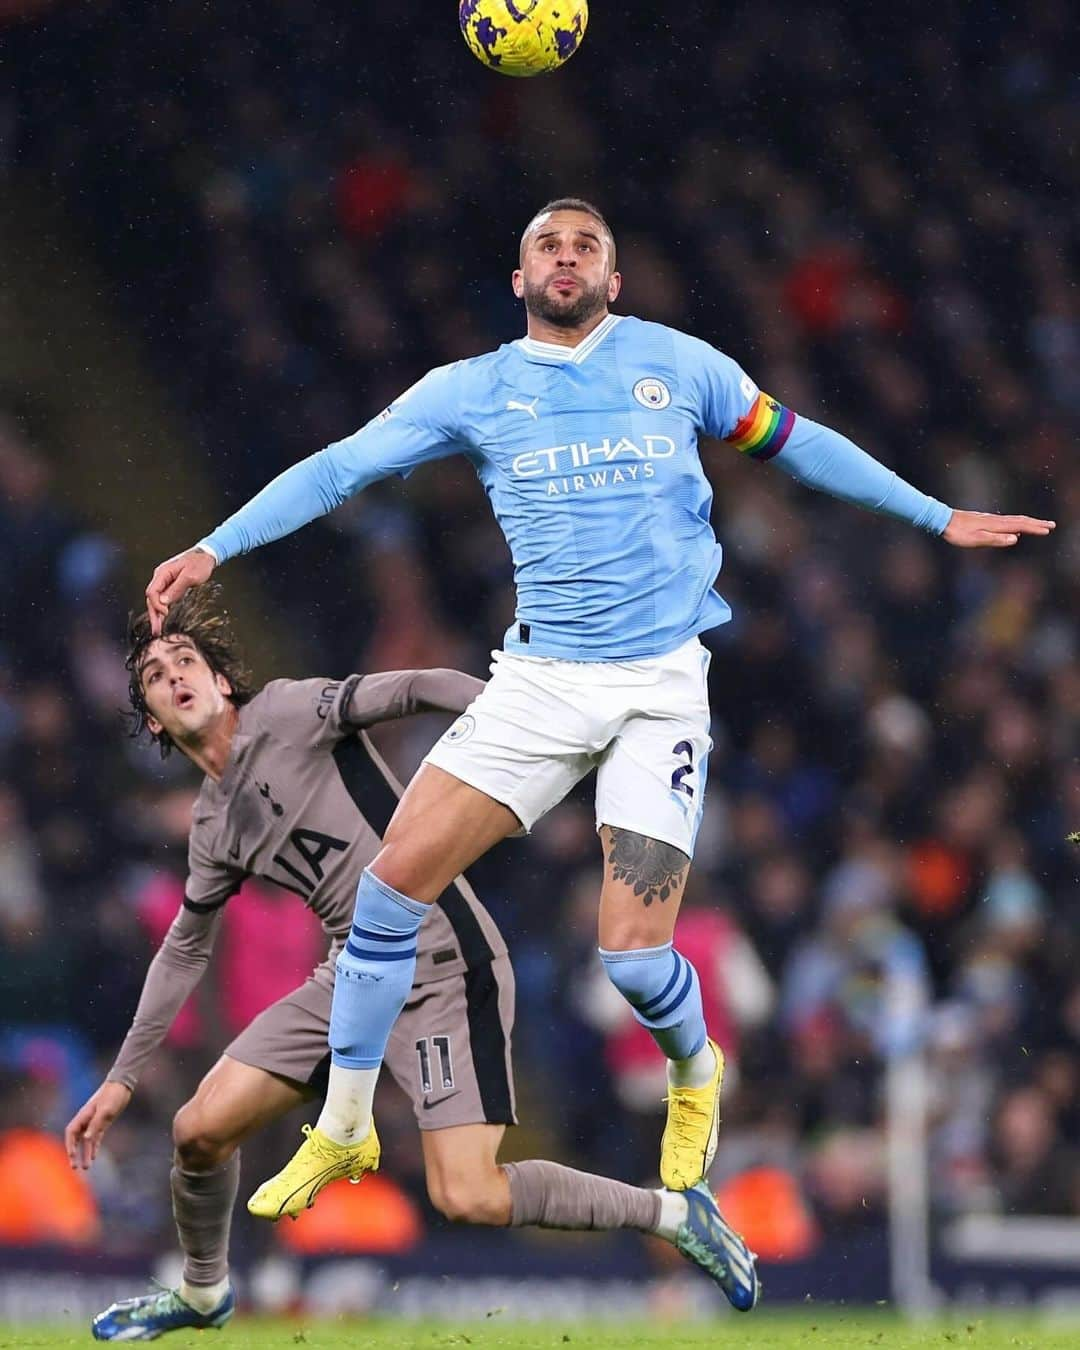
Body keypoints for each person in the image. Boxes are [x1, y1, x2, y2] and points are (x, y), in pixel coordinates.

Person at [145, 198, 1053, 1302]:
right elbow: (340, 468)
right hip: (540, 683)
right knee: (388, 891)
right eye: (547, 245)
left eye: (587, 247)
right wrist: (214, 543)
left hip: (661, 687)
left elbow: (798, 441)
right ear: (518, 276)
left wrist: (933, 515)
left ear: (613, 283)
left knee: (630, 959)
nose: (566, 257)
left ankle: (694, 1065)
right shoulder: (472, 390)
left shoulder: (681, 366)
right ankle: (342, 1124)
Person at [69, 585, 759, 1342]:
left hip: (440, 962)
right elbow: (184, 948)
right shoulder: (211, 826)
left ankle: (671, 1212)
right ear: (154, 720)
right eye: (155, 677)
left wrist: (533, 728)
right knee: (197, 1130)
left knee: (468, 1194)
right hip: (349, 973)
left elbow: (416, 688)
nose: (173, 675)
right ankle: (203, 1293)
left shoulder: (292, 711)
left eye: (185, 659)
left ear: (222, 679)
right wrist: (121, 1078)